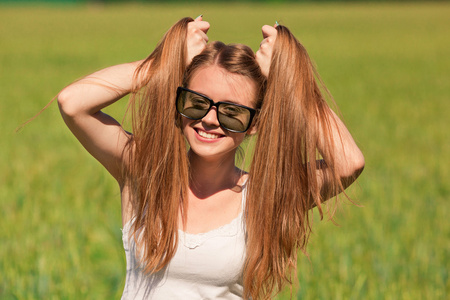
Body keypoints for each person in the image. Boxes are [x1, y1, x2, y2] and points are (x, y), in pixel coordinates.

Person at [57, 16, 364, 300]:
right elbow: (72, 103)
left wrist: (293, 81)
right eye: (196, 102)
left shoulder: (264, 195)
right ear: (178, 102)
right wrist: (164, 64)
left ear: (255, 124)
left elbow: (348, 162)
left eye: (232, 112)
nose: (210, 120)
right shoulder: (145, 171)